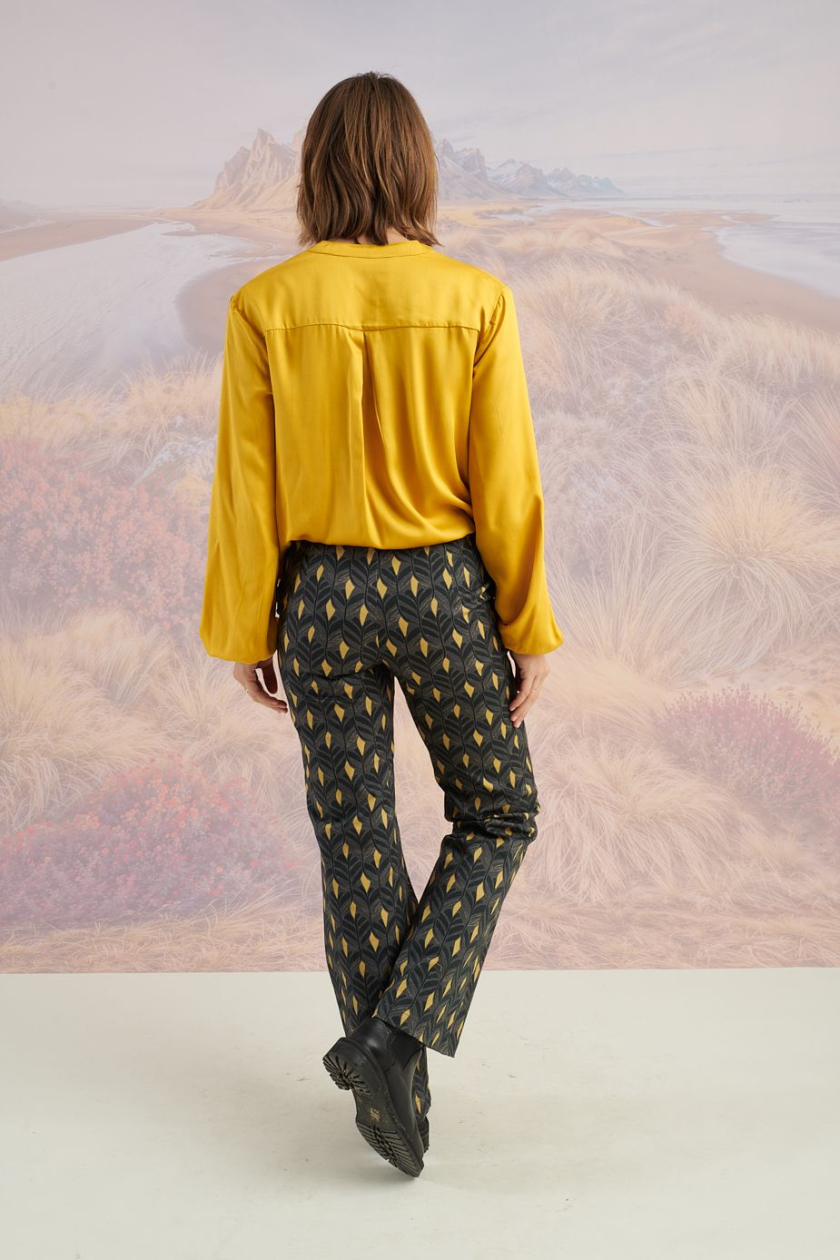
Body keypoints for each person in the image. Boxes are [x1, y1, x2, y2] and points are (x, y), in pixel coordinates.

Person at [199, 71, 564, 1177]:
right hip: (444, 591)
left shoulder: (263, 304)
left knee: (353, 834)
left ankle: (390, 1082)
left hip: (319, 599)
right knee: (498, 810)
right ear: (417, 168)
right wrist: (527, 622)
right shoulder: (476, 298)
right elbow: (507, 484)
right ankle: (396, 1041)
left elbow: (246, 486)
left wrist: (245, 628)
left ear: (315, 171)